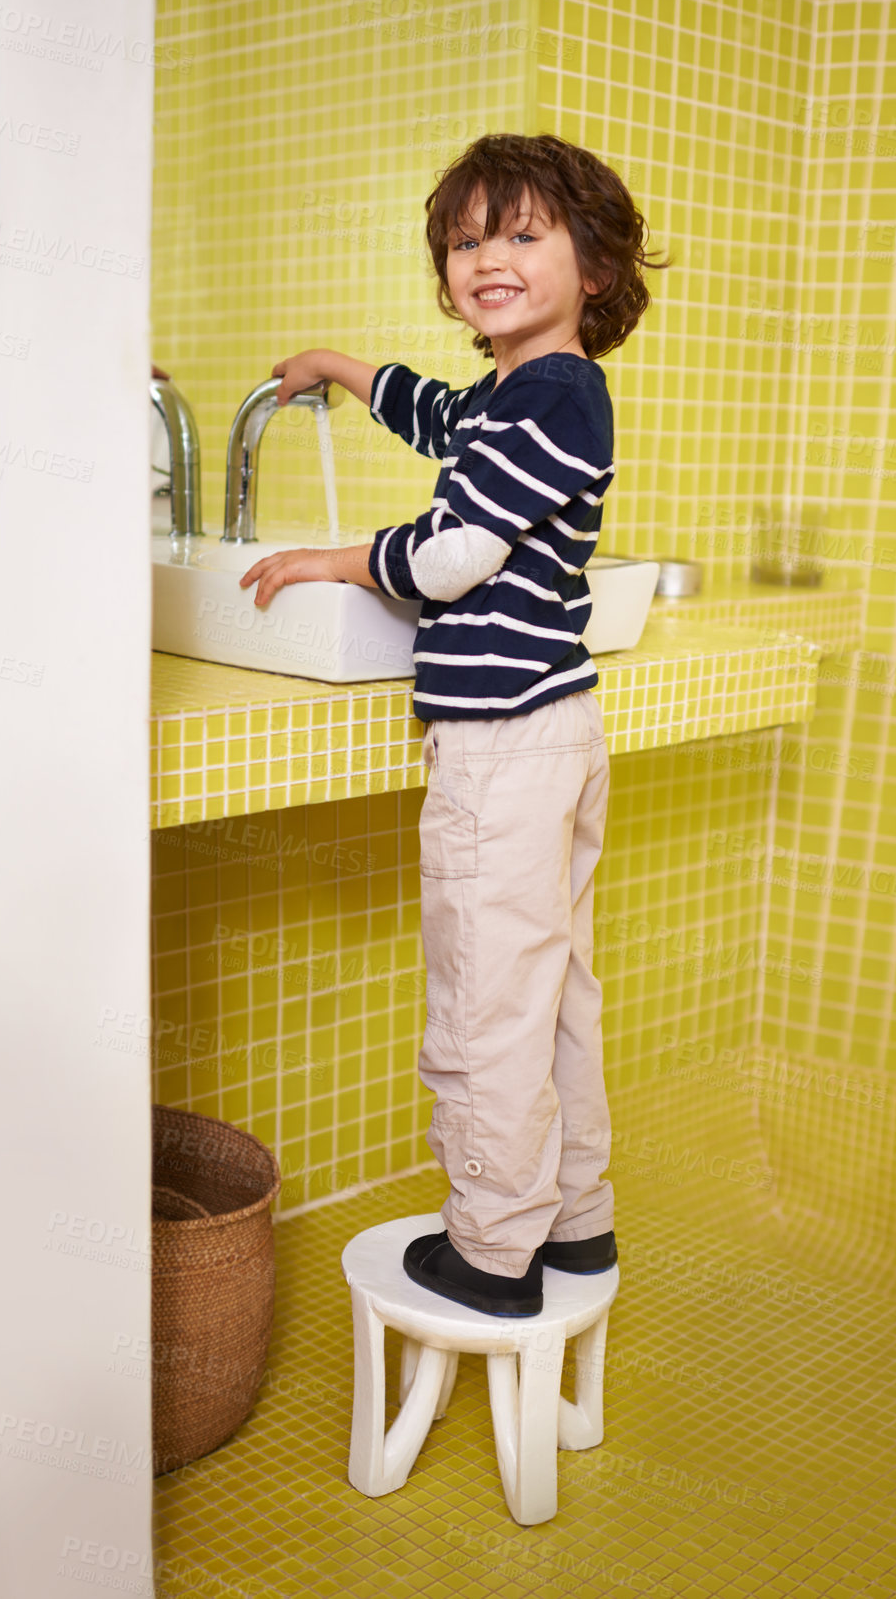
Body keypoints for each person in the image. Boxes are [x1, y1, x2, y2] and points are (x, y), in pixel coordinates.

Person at [239, 132, 668, 1317]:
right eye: (468, 238)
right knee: (551, 992)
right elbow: (442, 421)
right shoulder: (521, 395)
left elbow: (453, 555)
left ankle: (490, 1251)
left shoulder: (555, 395)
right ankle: (574, 1220)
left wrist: (337, 558)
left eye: (524, 233)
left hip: (503, 750)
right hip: (554, 732)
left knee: (486, 997)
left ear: (595, 267)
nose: (489, 257)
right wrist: (344, 366)